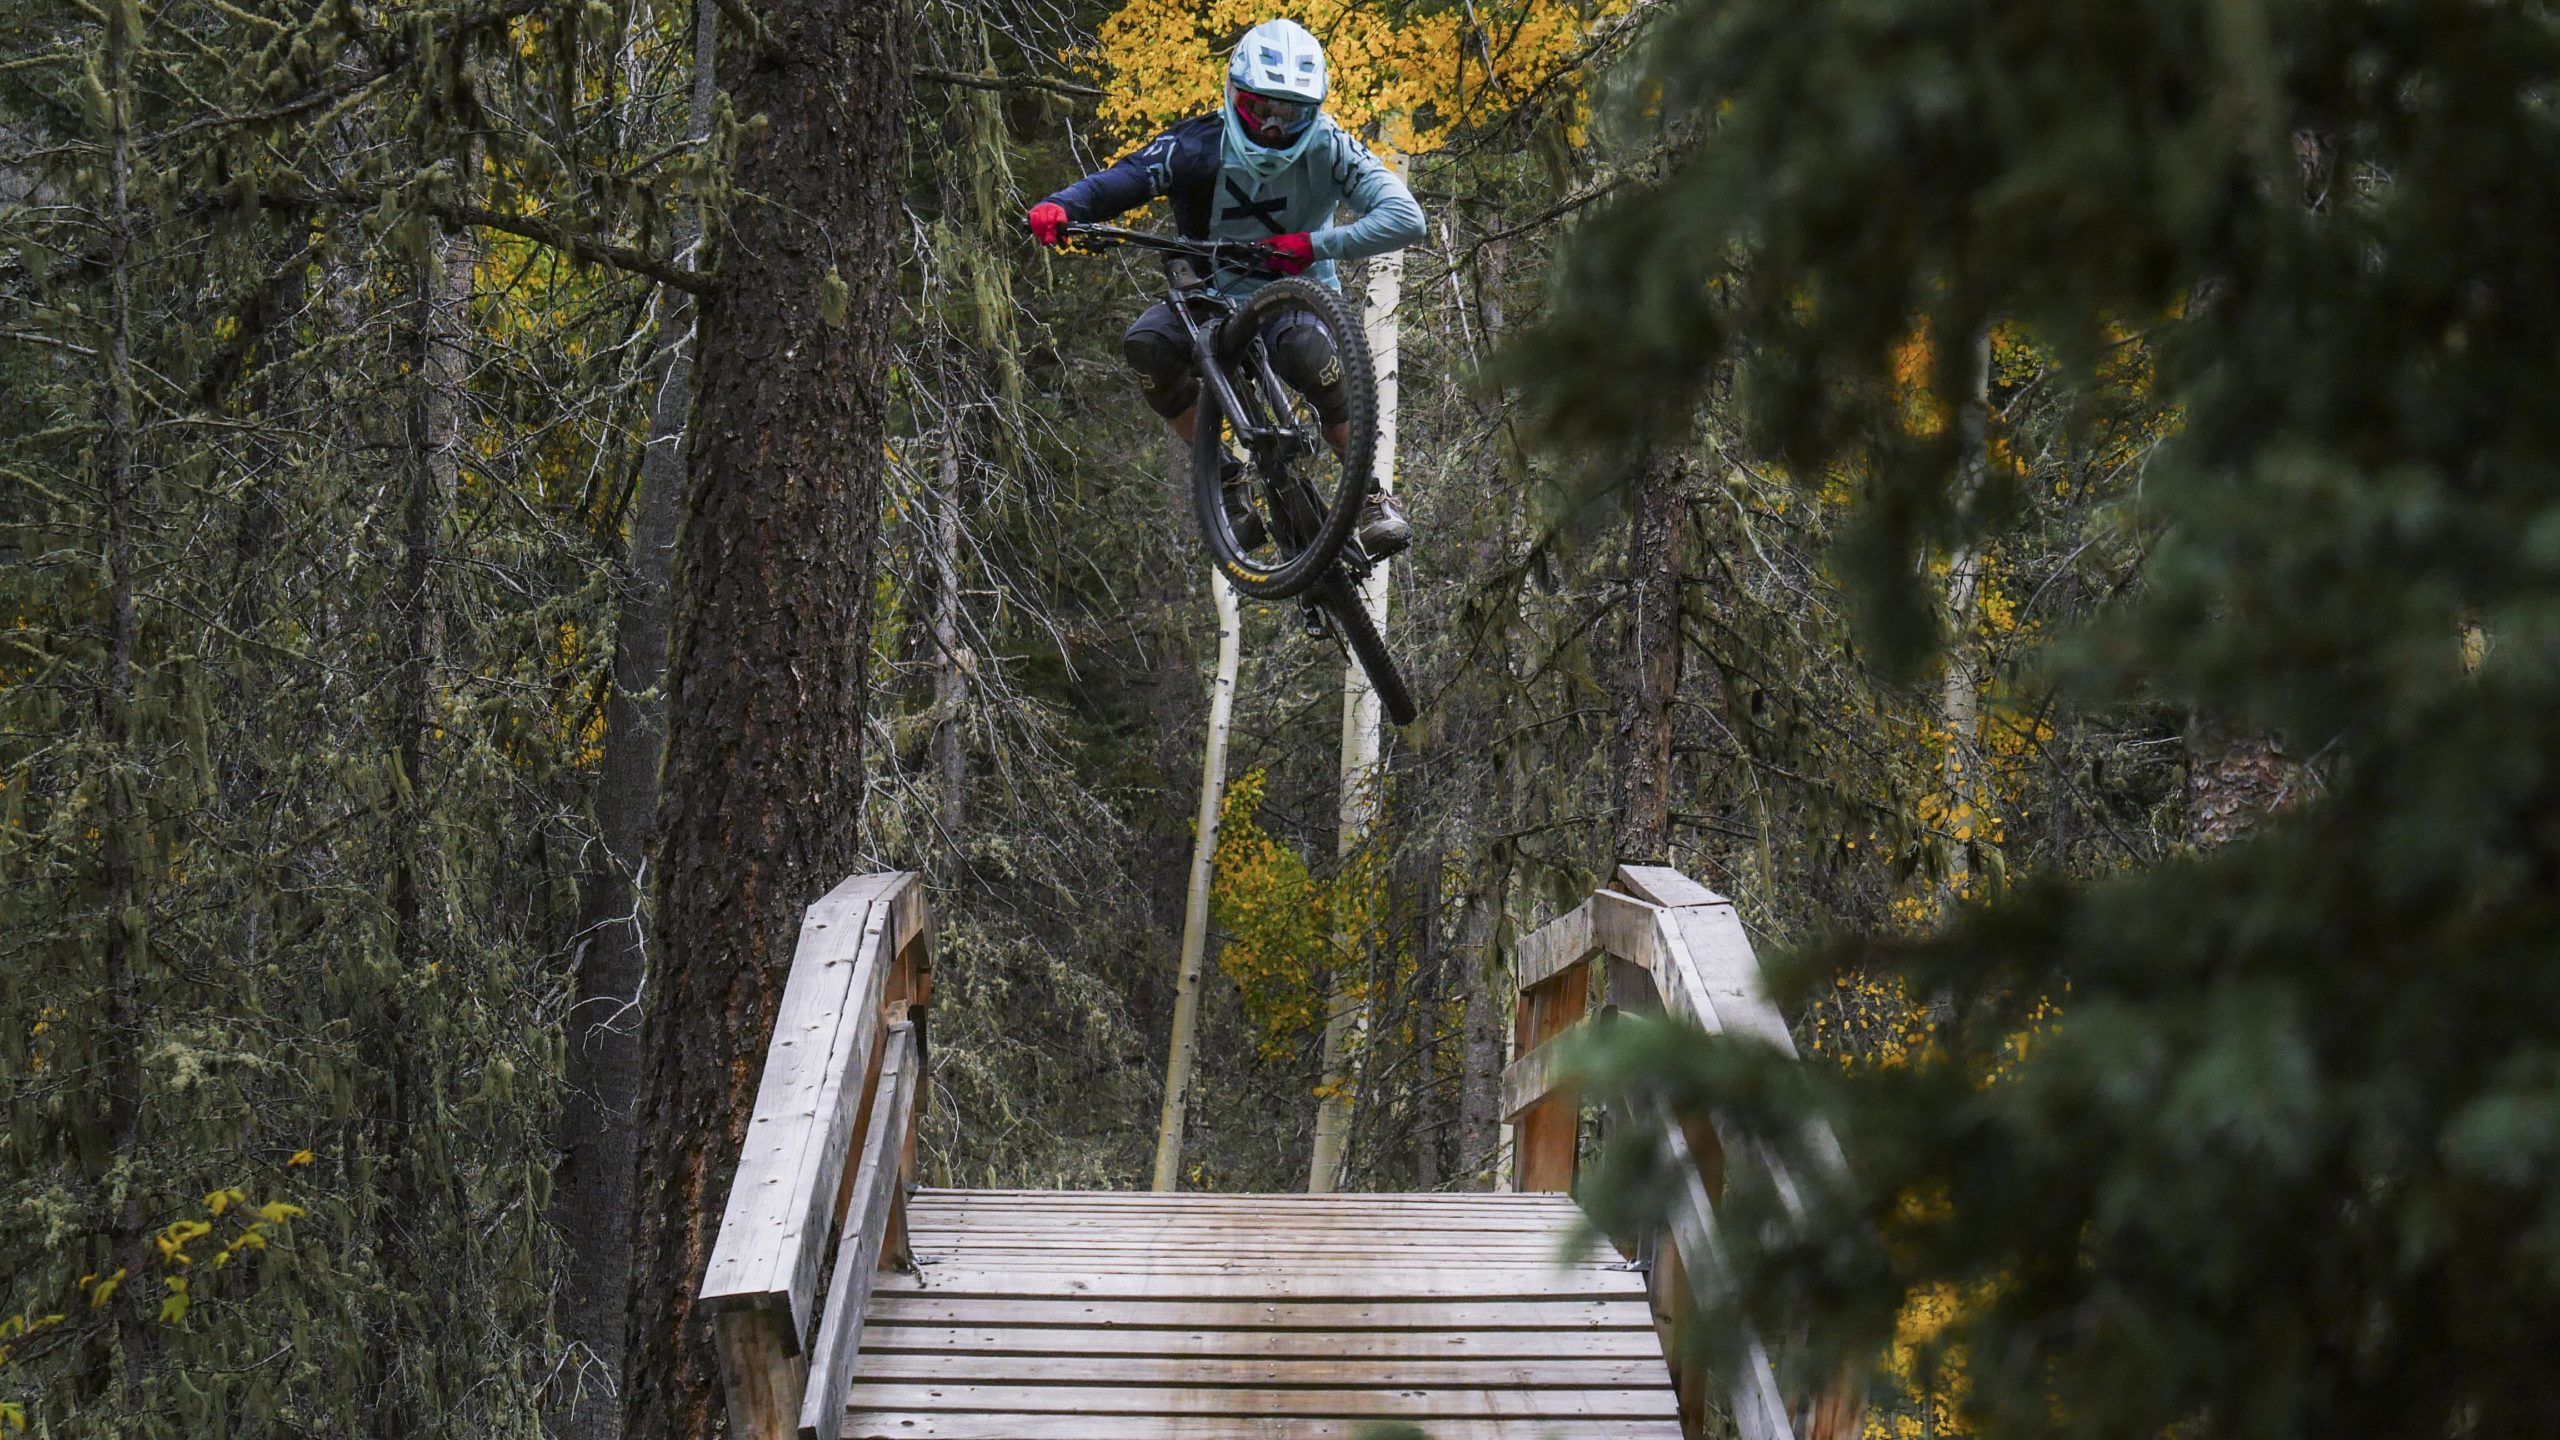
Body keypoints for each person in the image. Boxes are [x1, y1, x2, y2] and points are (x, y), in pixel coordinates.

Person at [1026, 18, 1425, 558]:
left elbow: (1406, 218)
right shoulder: (1196, 144)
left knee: (1307, 355)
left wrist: (1313, 245)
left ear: (1315, 109)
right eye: (1262, 109)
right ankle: (1227, 479)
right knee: (1147, 347)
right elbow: (1121, 180)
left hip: (1296, 294)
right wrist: (1065, 206)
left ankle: (1371, 498)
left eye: (1292, 114)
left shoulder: (1331, 146)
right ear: (1235, 94)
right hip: (1205, 297)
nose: (1274, 128)